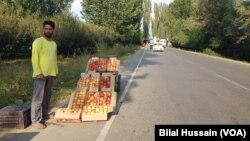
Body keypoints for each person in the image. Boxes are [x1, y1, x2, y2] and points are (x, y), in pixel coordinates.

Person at [31, 20, 58, 129]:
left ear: (53, 30)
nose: (48, 31)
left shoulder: (53, 44)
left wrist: (56, 71)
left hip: (50, 74)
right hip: (40, 75)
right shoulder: (38, 42)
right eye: (46, 29)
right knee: (38, 98)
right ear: (43, 29)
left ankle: (45, 115)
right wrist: (38, 72)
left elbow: (54, 59)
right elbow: (34, 58)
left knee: (46, 97)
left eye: (50, 29)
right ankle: (35, 121)